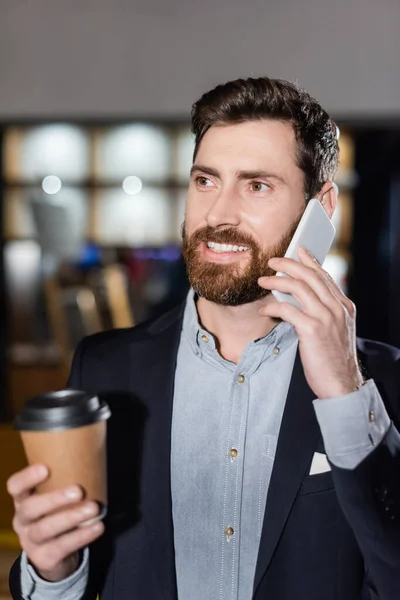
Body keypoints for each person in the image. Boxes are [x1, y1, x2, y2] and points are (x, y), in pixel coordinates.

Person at [7, 77, 400, 600]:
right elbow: (79, 576)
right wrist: (53, 570)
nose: (218, 215)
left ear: (321, 208)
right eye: (206, 180)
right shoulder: (107, 369)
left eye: (257, 185)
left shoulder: (384, 383)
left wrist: (347, 397)